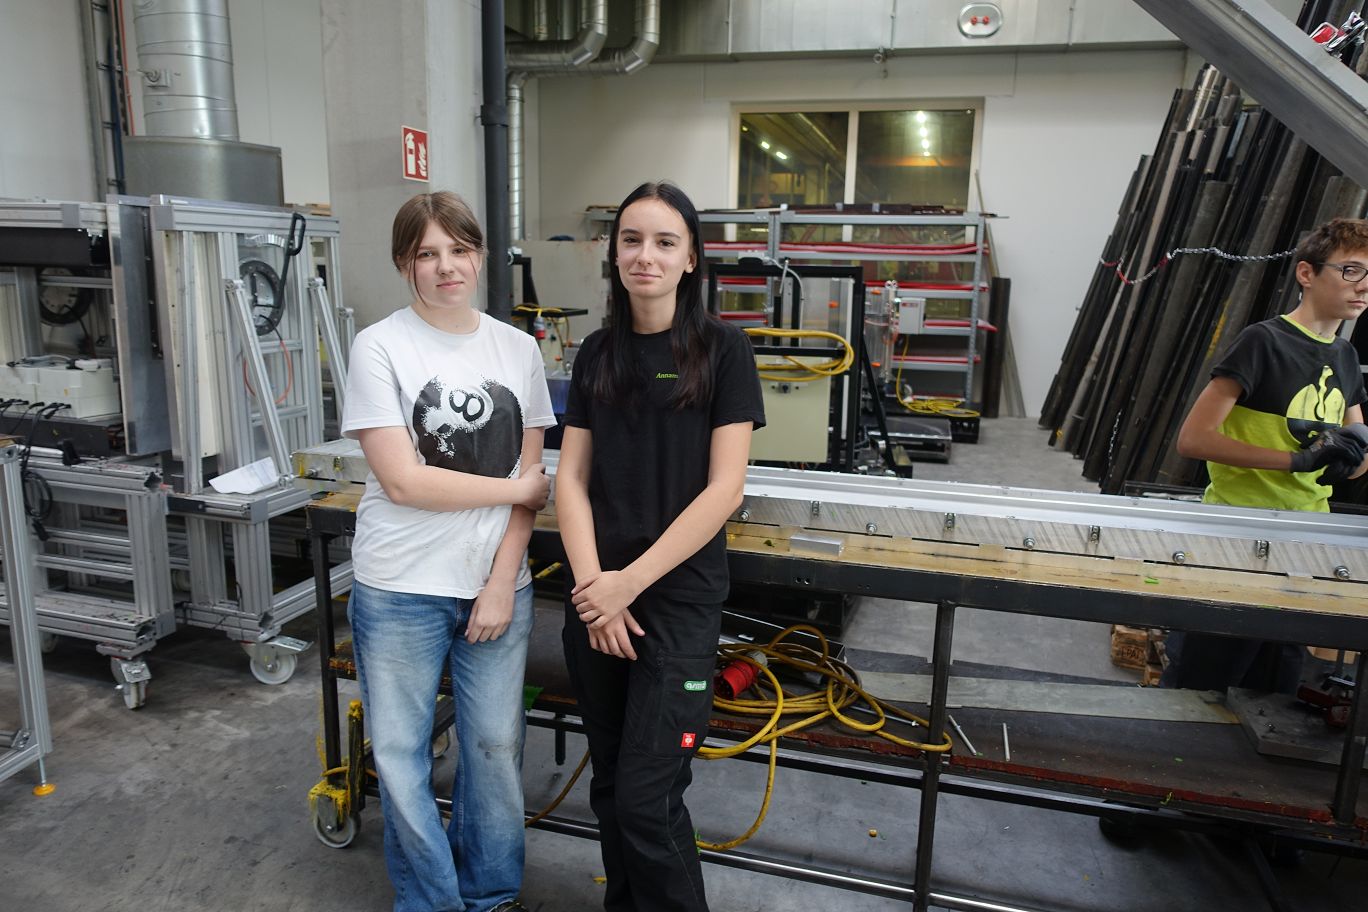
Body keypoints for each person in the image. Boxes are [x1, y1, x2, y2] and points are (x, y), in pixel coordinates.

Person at [555, 181, 766, 912]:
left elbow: (725, 490)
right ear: (614, 254)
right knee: (612, 785)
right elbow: (570, 481)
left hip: (674, 606)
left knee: (648, 798)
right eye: (632, 240)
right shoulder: (596, 353)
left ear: (691, 259)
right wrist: (596, 591)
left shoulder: (723, 351)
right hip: (598, 603)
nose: (646, 255)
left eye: (664, 242)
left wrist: (627, 584)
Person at [341, 190, 555, 912]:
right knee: (401, 758)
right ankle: (432, 902)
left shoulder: (517, 350)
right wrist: (515, 490)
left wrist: (501, 582)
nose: (445, 267)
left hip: (495, 583)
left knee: (494, 751)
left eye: (459, 250)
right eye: (426, 254)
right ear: (404, 263)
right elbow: (404, 482)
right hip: (399, 585)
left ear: (480, 255)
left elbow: (531, 485)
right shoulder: (380, 346)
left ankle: (490, 896)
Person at [1165, 216, 1368, 692]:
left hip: (1306, 540)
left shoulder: (1343, 356)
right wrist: (1298, 461)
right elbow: (1194, 439)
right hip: (1237, 535)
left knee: (1273, 691)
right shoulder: (1264, 342)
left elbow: (1358, 448)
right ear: (1306, 273)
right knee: (1202, 681)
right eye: (1351, 271)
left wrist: (1352, 453)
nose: (1363, 286)